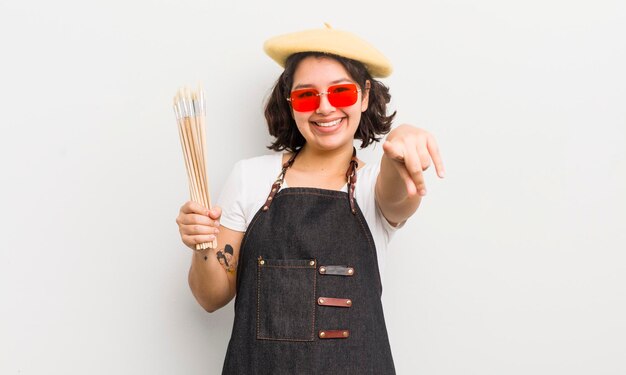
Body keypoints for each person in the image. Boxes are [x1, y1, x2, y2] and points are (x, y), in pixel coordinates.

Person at [175, 24, 445, 374]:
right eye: (306, 95)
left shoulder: (373, 184)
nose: (325, 107)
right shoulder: (249, 178)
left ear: (364, 96)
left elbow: (398, 195)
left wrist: (401, 143)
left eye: (341, 92)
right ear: (290, 103)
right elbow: (210, 297)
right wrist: (202, 244)